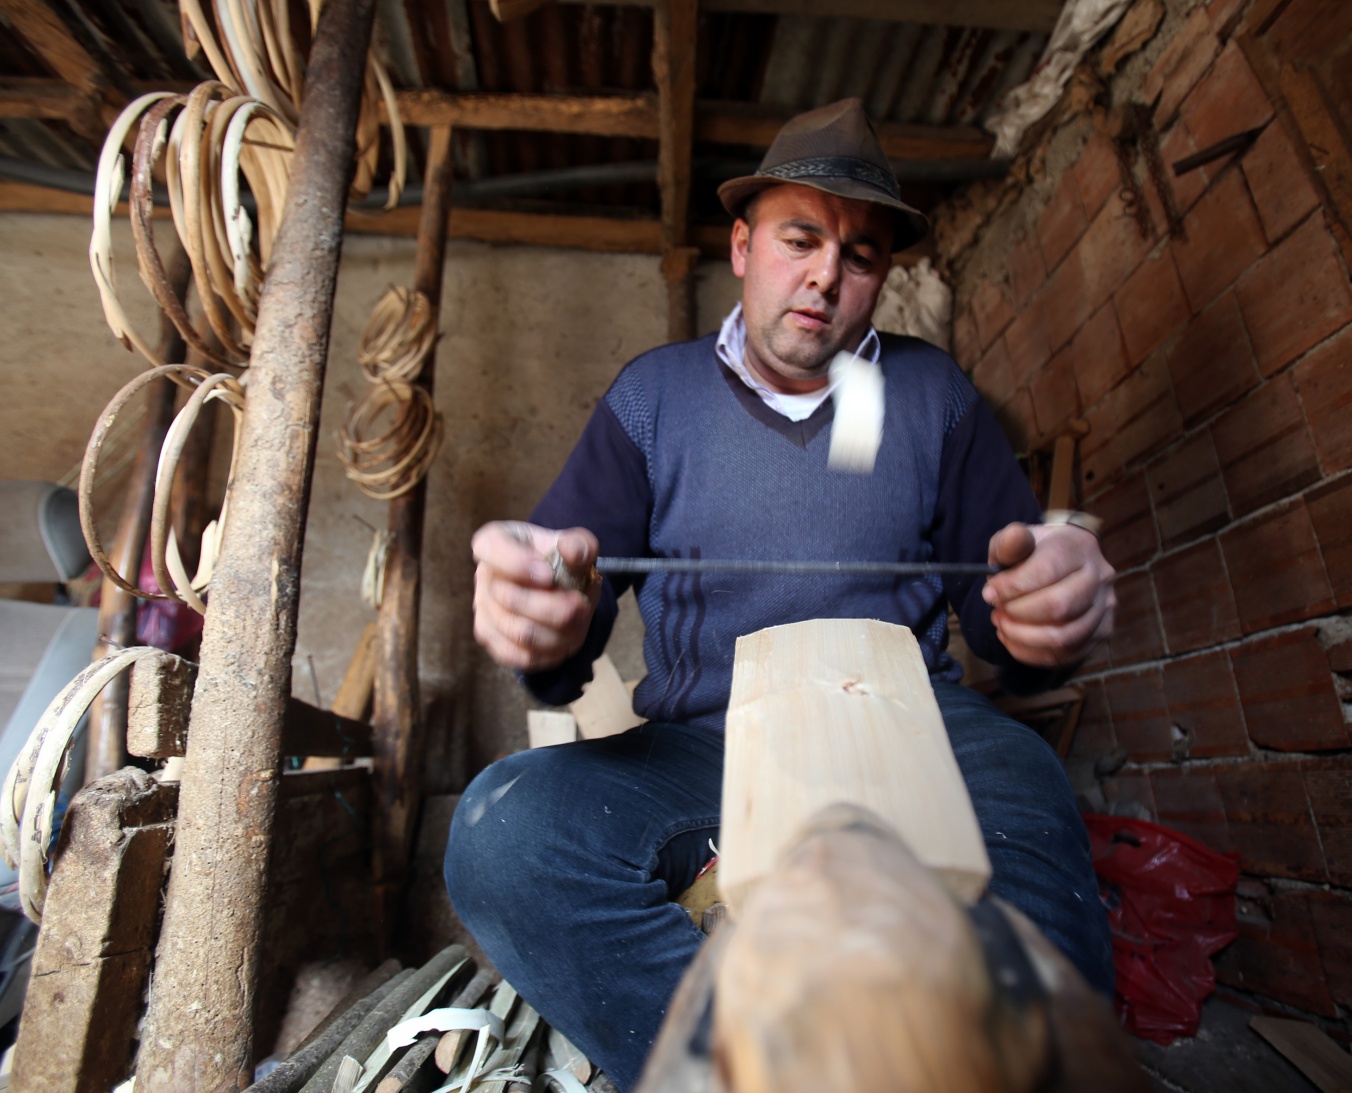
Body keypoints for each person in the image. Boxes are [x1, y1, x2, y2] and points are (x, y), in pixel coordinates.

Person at [444, 98, 1117, 1091]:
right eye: (799, 239)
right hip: (702, 745)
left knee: (1029, 816)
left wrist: (1042, 618)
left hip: (916, 721)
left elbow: (1002, 622)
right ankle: (753, 1072)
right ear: (742, 242)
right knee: (505, 829)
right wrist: (539, 624)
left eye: (860, 255)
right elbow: (566, 613)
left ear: (880, 274)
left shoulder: (931, 396)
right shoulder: (652, 397)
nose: (824, 278)